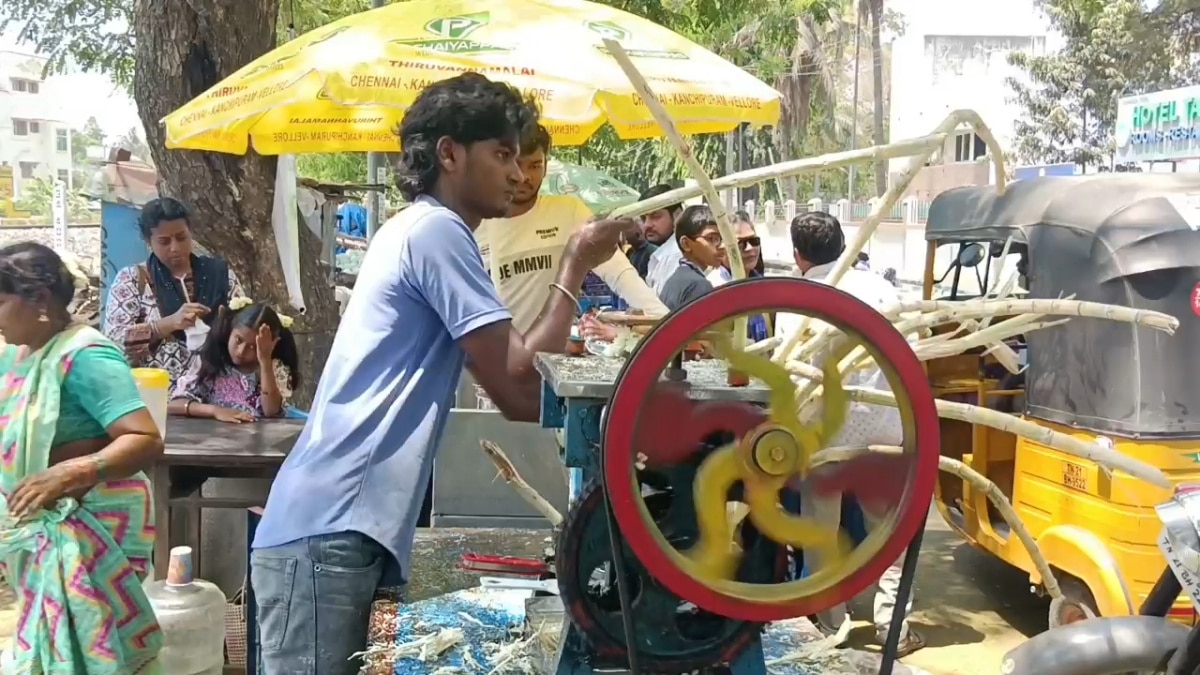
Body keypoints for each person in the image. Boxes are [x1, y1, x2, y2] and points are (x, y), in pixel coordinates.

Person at [248, 73, 626, 674]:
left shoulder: (415, 228)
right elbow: (520, 389)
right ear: (449, 153)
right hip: (329, 527)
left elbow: (521, 378)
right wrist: (575, 264)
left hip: (329, 527)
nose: (517, 174)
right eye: (502, 154)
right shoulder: (438, 233)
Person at [0, 242, 165, 672]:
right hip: (36, 531)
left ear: (38, 300)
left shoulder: (86, 355)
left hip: (85, 527)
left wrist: (71, 473)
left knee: (88, 653)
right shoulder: (15, 356)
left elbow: (144, 439)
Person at [776, 211, 925, 656]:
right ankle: (891, 625)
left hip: (824, 436)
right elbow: (913, 357)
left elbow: (787, 373)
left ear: (797, 255)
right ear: (843, 244)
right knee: (889, 533)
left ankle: (831, 623)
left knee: (821, 532)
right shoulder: (881, 289)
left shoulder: (796, 299)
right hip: (884, 428)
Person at [474, 123, 665, 333]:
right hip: (493, 355)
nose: (524, 176)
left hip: (550, 355)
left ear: (546, 164)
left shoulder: (568, 211)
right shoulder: (475, 222)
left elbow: (618, 271)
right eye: (518, 164)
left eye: (535, 165)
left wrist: (665, 319)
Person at [103, 197, 245, 383]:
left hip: (218, 395)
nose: (175, 248)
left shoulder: (221, 275)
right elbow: (113, 344)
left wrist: (224, 327)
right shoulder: (132, 280)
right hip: (157, 396)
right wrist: (168, 324)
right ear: (148, 240)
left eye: (181, 237)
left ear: (190, 232)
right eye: (164, 241)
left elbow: (245, 328)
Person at [168, 298, 300, 423]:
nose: (241, 351)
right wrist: (216, 411)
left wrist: (265, 360)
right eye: (238, 340)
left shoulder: (274, 369)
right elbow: (174, 405)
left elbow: (271, 411)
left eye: (253, 347)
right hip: (214, 440)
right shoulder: (212, 361)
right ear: (229, 330)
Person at [708, 211, 771, 341]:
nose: (749, 248)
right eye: (740, 243)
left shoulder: (763, 285)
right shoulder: (715, 288)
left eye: (754, 241)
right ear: (721, 246)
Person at [659, 205, 726, 311]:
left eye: (722, 239)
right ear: (686, 244)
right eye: (712, 238)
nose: (722, 246)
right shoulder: (698, 285)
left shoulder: (675, 279)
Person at [641, 185, 686, 294]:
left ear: (677, 215)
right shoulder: (662, 255)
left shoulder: (674, 255)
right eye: (643, 218)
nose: (647, 225)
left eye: (655, 216)